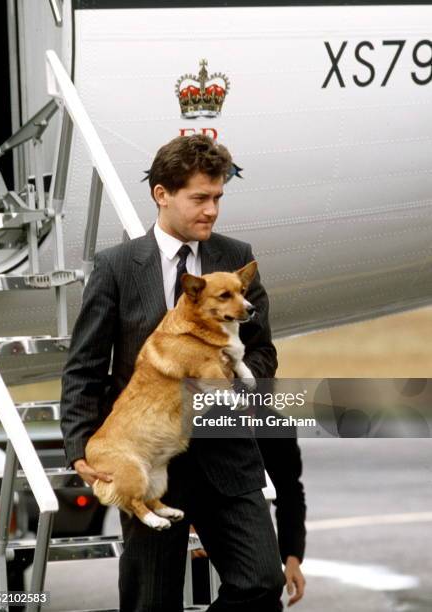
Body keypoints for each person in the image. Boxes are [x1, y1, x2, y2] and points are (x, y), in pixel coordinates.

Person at [60, 134, 306, 611]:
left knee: (259, 583)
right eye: (200, 198)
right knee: (151, 603)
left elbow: (263, 354)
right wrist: (79, 450)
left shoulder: (236, 258)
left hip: (226, 458)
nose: (212, 210)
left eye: (217, 198)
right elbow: (85, 368)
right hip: (148, 459)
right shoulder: (116, 267)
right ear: (162, 195)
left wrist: (222, 381)